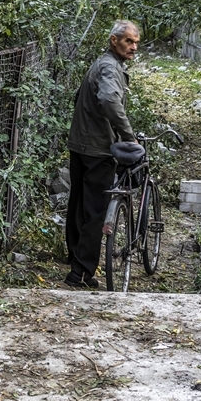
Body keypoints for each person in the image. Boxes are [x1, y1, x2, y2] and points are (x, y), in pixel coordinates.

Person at [65, 20, 140, 288]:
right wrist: (128, 134)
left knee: (78, 204)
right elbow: (109, 100)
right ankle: (81, 272)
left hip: (80, 143)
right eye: (129, 41)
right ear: (113, 40)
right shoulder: (110, 67)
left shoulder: (102, 63)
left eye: (136, 42)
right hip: (97, 148)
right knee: (95, 210)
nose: (134, 47)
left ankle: (75, 258)